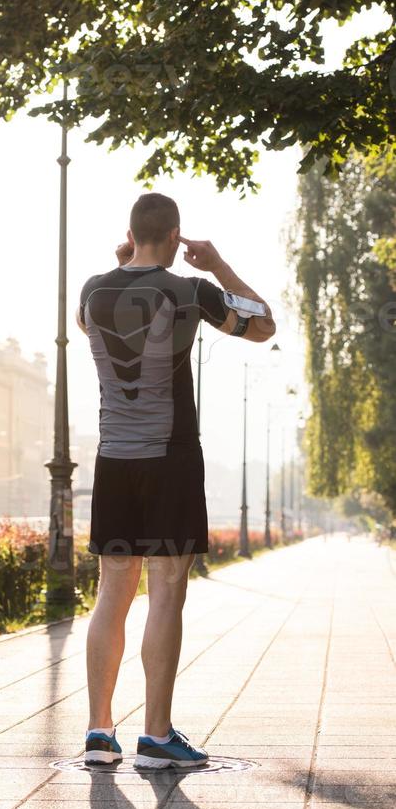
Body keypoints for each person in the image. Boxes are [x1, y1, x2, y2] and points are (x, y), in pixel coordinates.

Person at [76, 192, 275, 769]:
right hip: (170, 460)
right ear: (176, 234)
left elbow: (89, 319)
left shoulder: (92, 290)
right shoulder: (190, 291)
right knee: (165, 589)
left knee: (112, 591)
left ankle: (98, 731)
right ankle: (157, 736)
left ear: (131, 232)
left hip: (113, 458)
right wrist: (217, 266)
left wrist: (126, 262)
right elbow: (263, 325)